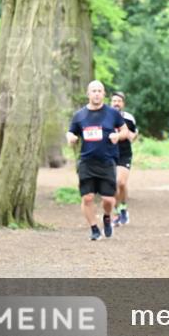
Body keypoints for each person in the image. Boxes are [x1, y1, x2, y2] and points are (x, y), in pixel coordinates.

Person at [66, 80, 128, 240]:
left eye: (99, 91)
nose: (96, 93)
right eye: (93, 91)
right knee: (87, 197)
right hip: (87, 161)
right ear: (88, 94)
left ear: (104, 94)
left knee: (108, 199)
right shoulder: (80, 115)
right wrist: (71, 137)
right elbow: (70, 132)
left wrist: (118, 135)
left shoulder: (112, 113)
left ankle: (107, 217)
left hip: (107, 161)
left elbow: (125, 131)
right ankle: (94, 228)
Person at [110, 91, 138, 226]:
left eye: (119, 101)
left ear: (123, 104)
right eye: (114, 101)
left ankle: (123, 207)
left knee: (120, 182)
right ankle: (116, 212)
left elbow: (133, 136)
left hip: (124, 153)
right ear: (110, 103)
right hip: (109, 154)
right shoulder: (105, 117)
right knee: (114, 184)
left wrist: (126, 133)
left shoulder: (129, 118)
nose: (116, 103)